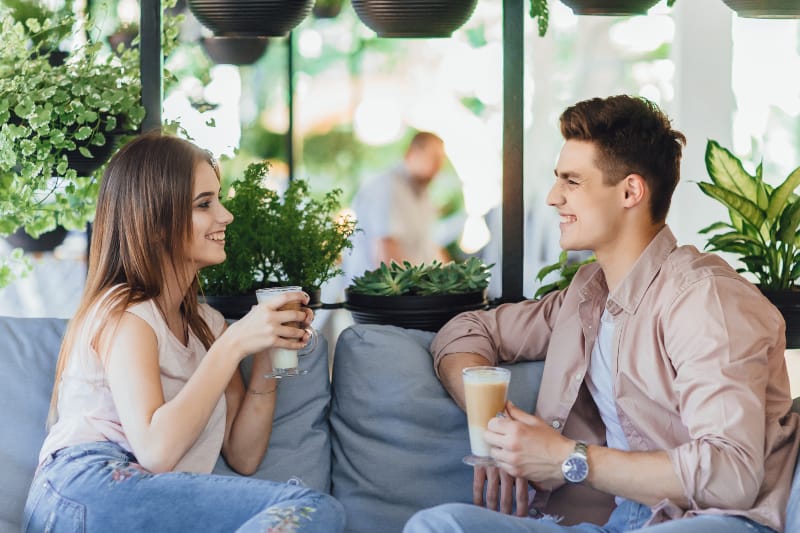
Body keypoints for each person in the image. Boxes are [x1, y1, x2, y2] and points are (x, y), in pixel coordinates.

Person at [404, 95, 800, 533]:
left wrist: (566, 458)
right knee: (439, 525)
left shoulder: (704, 298)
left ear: (630, 191)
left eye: (572, 181)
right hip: (616, 523)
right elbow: (464, 332)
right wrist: (498, 431)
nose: (553, 197)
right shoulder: (587, 295)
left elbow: (730, 476)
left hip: (710, 521)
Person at [23, 132, 345, 532]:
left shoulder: (207, 326)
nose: (226, 216)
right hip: (84, 489)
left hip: (142, 498)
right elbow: (155, 451)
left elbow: (243, 455)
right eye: (204, 204)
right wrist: (234, 344)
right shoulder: (126, 314)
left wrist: (266, 354)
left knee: (317, 510)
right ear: (156, 223)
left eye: (218, 199)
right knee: (310, 507)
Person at [344, 131, 451, 282]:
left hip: (409, 289)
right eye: (433, 157)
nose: (438, 166)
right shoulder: (386, 187)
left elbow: (428, 246)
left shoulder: (423, 194)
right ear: (411, 153)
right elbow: (387, 256)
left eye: (441, 160)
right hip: (376, 292)